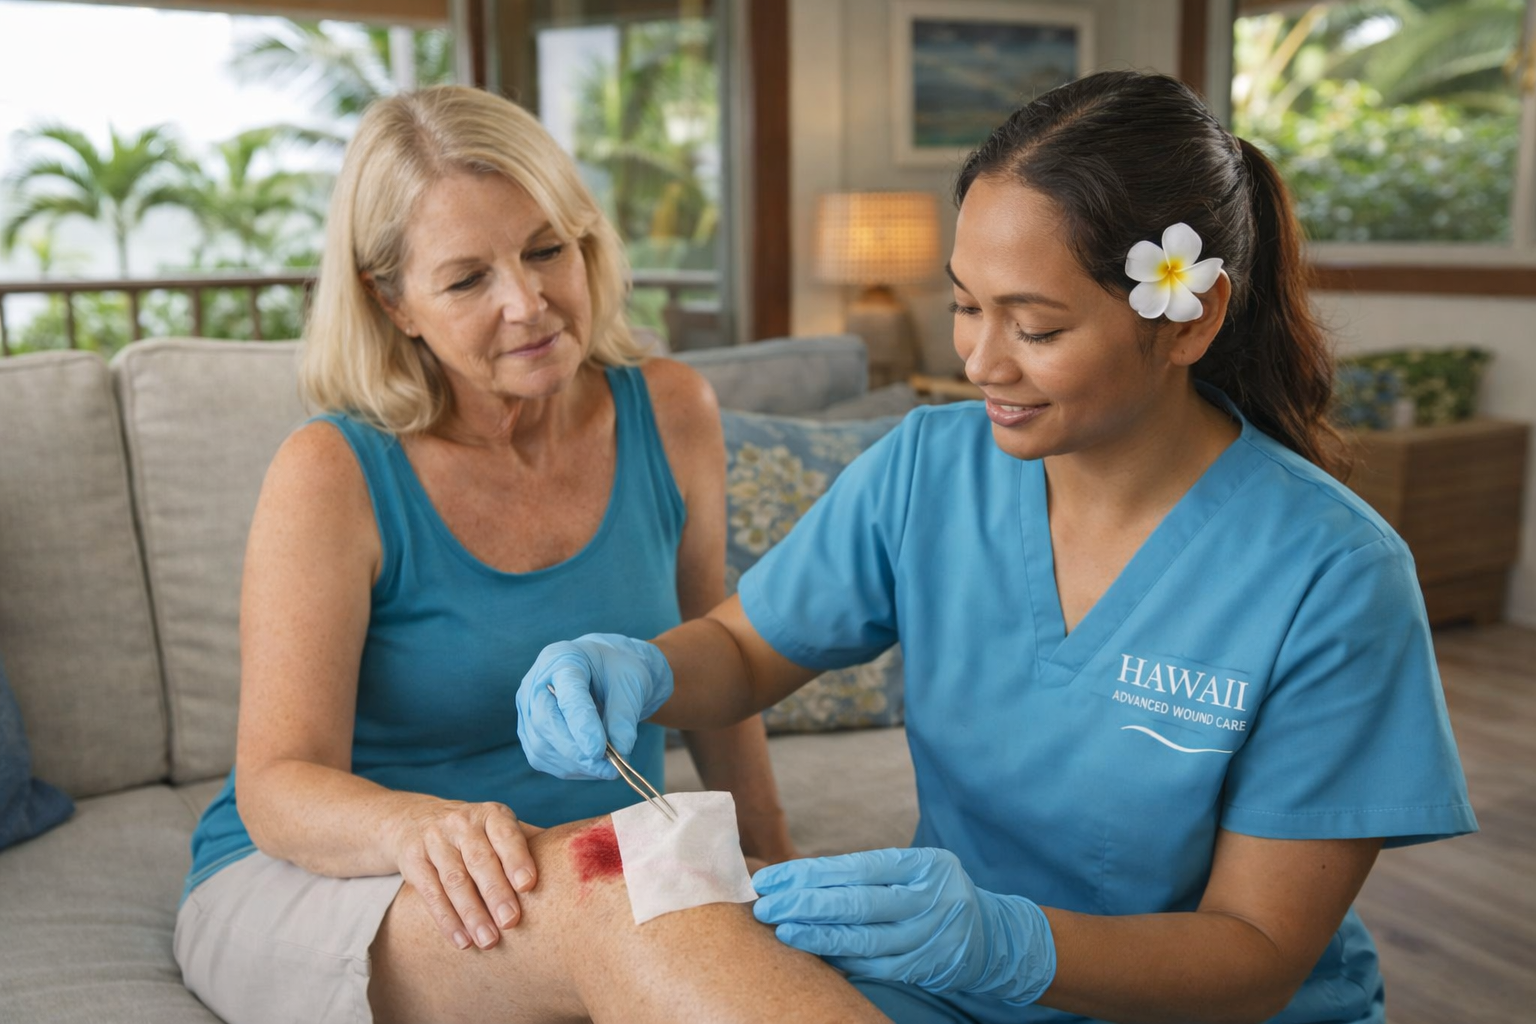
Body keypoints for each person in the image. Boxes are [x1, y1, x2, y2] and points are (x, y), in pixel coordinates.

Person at [517, 70, 1478, 1024]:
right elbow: (741, 651)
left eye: (1037, 325)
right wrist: (636, 667)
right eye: (967, 306)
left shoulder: (1335, 577)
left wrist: (1008, 942)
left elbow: (1257, 954)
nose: (980, 361)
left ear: (1195, 317)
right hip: (950, 995)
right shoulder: (929, 469)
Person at [172, 85, 896, 1024]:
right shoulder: (333, 471)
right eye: (468, 279)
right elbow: (277, 786)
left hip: (585, 861)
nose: (528, 302)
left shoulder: (672, 410)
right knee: (624, 905)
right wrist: (416, 825)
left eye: (547, 250)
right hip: (334, 878)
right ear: (394, 302)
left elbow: (710, 650)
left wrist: (770, 848)